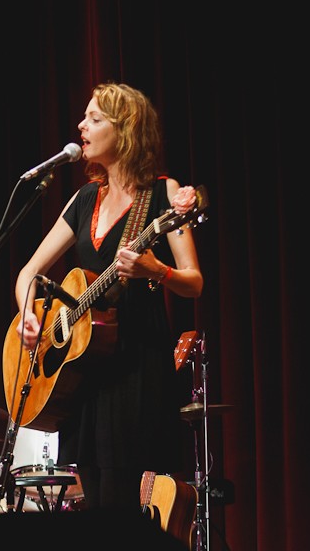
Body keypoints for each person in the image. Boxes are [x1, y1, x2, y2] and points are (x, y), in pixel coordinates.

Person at [12, 82, 203, 511]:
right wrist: (29, 313)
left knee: (120, 500)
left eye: (95, 118)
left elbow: (194, 281)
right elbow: (29, 272)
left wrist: (159, 270)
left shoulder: (164, 195)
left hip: (134, 364)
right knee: (95, 499)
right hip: (84, 372)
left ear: (127, 130)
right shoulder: (83, 200)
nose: (82, 125)